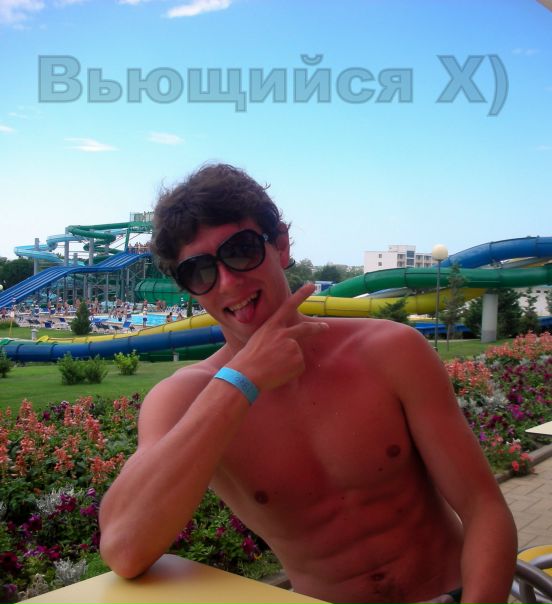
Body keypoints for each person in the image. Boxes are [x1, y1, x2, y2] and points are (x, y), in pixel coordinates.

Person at [99, 164, 517, 604]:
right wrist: (240, 381)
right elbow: (125, 550)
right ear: (189, 288)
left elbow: (483, 508)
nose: (228, 282)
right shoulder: (184, 397)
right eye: (199, 271)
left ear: (280, 245)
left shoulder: (391, 351)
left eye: (241, 250)